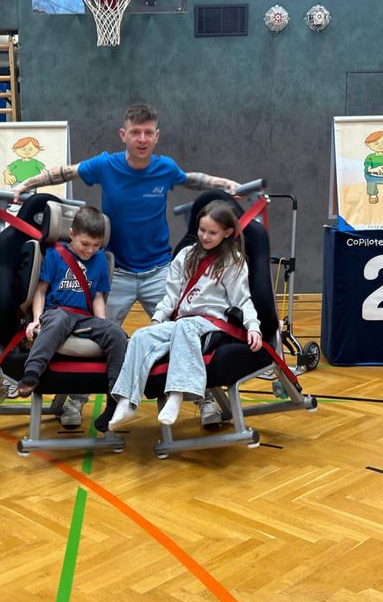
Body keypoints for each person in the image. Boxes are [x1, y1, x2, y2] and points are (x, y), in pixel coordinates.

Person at [13, 102, 240, 428]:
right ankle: (76, 401)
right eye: (136, 132)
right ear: (124, 135)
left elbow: (192, 179)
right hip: (114, 271)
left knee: (183, 332)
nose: (143, 138)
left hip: (159, 270)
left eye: (149, 132)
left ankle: (204, 400)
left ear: (156, 136)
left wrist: (226, 184)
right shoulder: (106, 165)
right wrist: (25, 185)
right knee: (93, 335)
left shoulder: (164, 168)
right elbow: (66, 171)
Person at [107, 200, 263, 430]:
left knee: (185, 327)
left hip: (213, 324)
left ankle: (177, 394)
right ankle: (127, 401)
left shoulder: (233, 261)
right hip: (183, 322)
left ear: (227, 233)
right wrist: (157, 320)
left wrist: (253, 326)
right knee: (141, 336)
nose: (205, 236)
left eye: (213, 233)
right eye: (202, 230)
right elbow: (170, 296)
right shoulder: (186, 256)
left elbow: (243, 300)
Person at [15, 206, 127, 430]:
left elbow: (97, 297)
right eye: (85, 244)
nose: (90, 250)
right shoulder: (56, 255)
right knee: (57, 321)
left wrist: (103, 324)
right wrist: (37, 319)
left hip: (84, 318)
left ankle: (115, 399)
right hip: (58, 311)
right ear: (72, 234)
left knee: (116, 333)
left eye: (96, 245)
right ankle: (32, 373)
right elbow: (41, 290)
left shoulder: (100, 261)